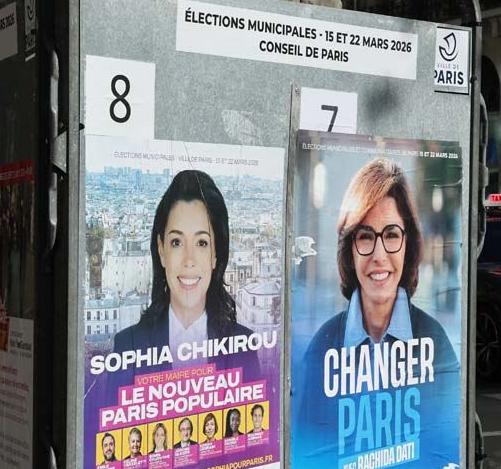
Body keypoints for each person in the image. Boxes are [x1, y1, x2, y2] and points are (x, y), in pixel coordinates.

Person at [296, 157, 459, 424]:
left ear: (409, 246)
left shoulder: (435, 343)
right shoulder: (322, 347)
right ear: (350, 249)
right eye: (366, 236)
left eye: (392, 235)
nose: (379, 255)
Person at [104, 170, 261, 393]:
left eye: (202, 243)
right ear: (161, 250)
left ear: (216, 254)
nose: (189, 260)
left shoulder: (242, 345)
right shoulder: (129, 345)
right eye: (177, 242)